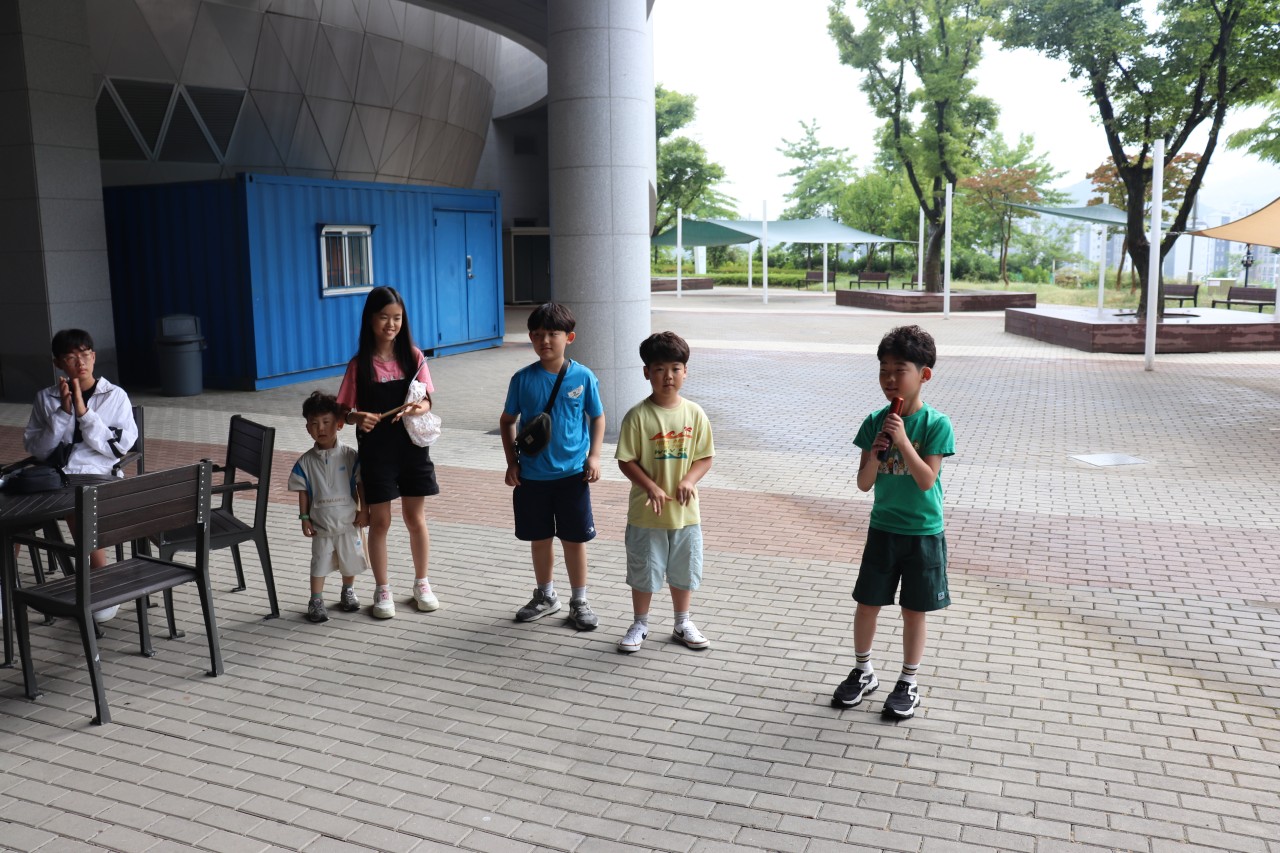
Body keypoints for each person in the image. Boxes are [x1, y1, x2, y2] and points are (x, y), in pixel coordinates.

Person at [832, 325, 954, 720]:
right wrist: (875, 452)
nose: (889, 379)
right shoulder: (874, 421)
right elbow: (864, 483)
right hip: (882, 528)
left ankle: (908, 681)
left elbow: (926, 480)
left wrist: (902, 442)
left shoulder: (936, 424)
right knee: (867, 603)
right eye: (883, 370)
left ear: (924, 374)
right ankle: (863, 670)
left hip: (922, 533)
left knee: (913, 611)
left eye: (899, 370)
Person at [499, 302, 604, 631]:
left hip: (573, 476)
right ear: (531, 337)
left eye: (553, 334)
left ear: (569, 337)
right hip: (532, 477)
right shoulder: (522, 379)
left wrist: (595, 456)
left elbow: (597, 416)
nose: (545, 340)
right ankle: (546, 596)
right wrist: (512, 462)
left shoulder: (583, 376)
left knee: (574, 540)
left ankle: (579, 601)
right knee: (540, 538)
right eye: (537, 334)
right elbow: (507, 421)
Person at [337, 286, 439, 619]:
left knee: (415, 518)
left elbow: (427, 400)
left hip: (412, 450)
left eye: (397, 318)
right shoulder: (359, 365)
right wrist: (356, 417)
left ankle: (422, 583)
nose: (391, 324)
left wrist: (417, 408)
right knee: (380, 521)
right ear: (370, 320)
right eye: (384, 317)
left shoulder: (414, 357)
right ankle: (382, 589)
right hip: (376, 453)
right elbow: (341, 412)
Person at [23, 329, 138, 622]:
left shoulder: (114, 395)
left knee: (78, 505)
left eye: (85, 355)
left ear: (94, 357)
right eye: (71, 357)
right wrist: (62, 413)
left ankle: (102, 581)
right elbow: (38, 449)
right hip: (54, 477)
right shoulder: (46, 398)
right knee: (13, 513)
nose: (80, 362)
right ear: (58, 363)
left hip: (97, 475)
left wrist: (84, 412)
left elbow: (116, 449)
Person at [614, 331, 715, 654]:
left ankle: (682, 622)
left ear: (685, 372)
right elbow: (626, 460)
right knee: (644, 570)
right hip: (647, 515)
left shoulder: (695, 413)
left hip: (685, 514)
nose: (667, 376)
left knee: (684, 570)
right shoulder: (637, 416)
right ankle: (640, 623)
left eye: (675, 368)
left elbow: (705, 457)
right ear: (647, 372)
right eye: (659, 369)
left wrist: (689, 481)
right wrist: (651, 486)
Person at [288, 391, 370, 623]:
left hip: (349, 522)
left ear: (339, 424)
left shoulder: (350, 456)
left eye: (326, 422)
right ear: (307, 428)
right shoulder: (305, 462)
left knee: (350, 560)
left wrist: (364, 510)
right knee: (319, 563)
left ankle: (348, 591)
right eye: (314, 424)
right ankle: (316, 600)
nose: (320, 428)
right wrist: (304, 518)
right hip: (321, 526)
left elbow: (361, 485)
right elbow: (303, 491)